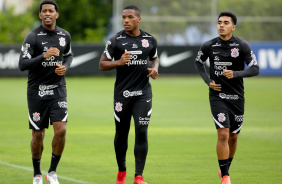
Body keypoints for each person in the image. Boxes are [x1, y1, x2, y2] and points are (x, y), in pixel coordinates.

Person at [194, 12, 259, 184]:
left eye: (225, 22)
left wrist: (236, 73)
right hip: (218, 96)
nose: (221, 25)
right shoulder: (209, 45)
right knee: (223, 134)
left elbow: (255, 68)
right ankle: (225, 177)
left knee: (233, 137)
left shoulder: (242, 45)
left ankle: (225, 167)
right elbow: (198, 62)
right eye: (219, 22)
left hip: (237, 97)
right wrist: (208, 81)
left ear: (233, 26)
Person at [99, 5, 159, 184]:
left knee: (141, 131)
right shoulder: (115, 40)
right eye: (124, 17)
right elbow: (102, 64)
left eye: (130, 17)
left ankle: (138, 176)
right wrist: (119, 62)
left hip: (143, 94)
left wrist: (155, 69)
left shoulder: (150, 39)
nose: (125, 20)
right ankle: (121, 172)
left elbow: (154, 57)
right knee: (122, 133)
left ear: (138, 19)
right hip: (122, 95)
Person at [18, 0, 73, 184]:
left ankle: (52, 172)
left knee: (61, 130)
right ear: (40, 15)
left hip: (58, 89)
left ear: (57, 14)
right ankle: (37, 174)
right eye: (44, 11)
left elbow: (69, 55)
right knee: (38, 135)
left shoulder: (65, 35)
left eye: (51, 10)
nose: (48, 13)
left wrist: (65, 67)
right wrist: (44, 56)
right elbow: (22, 65)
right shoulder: (32, 37)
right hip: (37, 92)